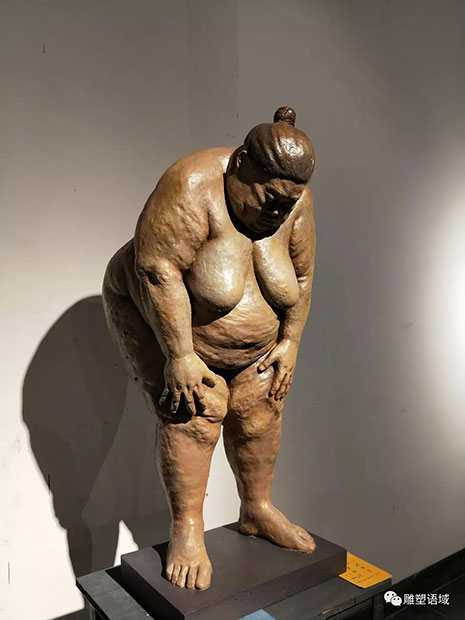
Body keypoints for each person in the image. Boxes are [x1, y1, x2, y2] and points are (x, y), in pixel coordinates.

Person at [103, 106, 316, 590]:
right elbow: (157, 270)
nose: (278, 212)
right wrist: (179, 354)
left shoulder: (296, 203)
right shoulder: (191, 184)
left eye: (287, 203)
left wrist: (289, 342)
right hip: (155, 318)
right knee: (194, 412)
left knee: (262, 407)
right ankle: (187, 526)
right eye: (269, 198)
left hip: (253, 347)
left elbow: (302, 278)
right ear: (241, 165)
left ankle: (256, 508)